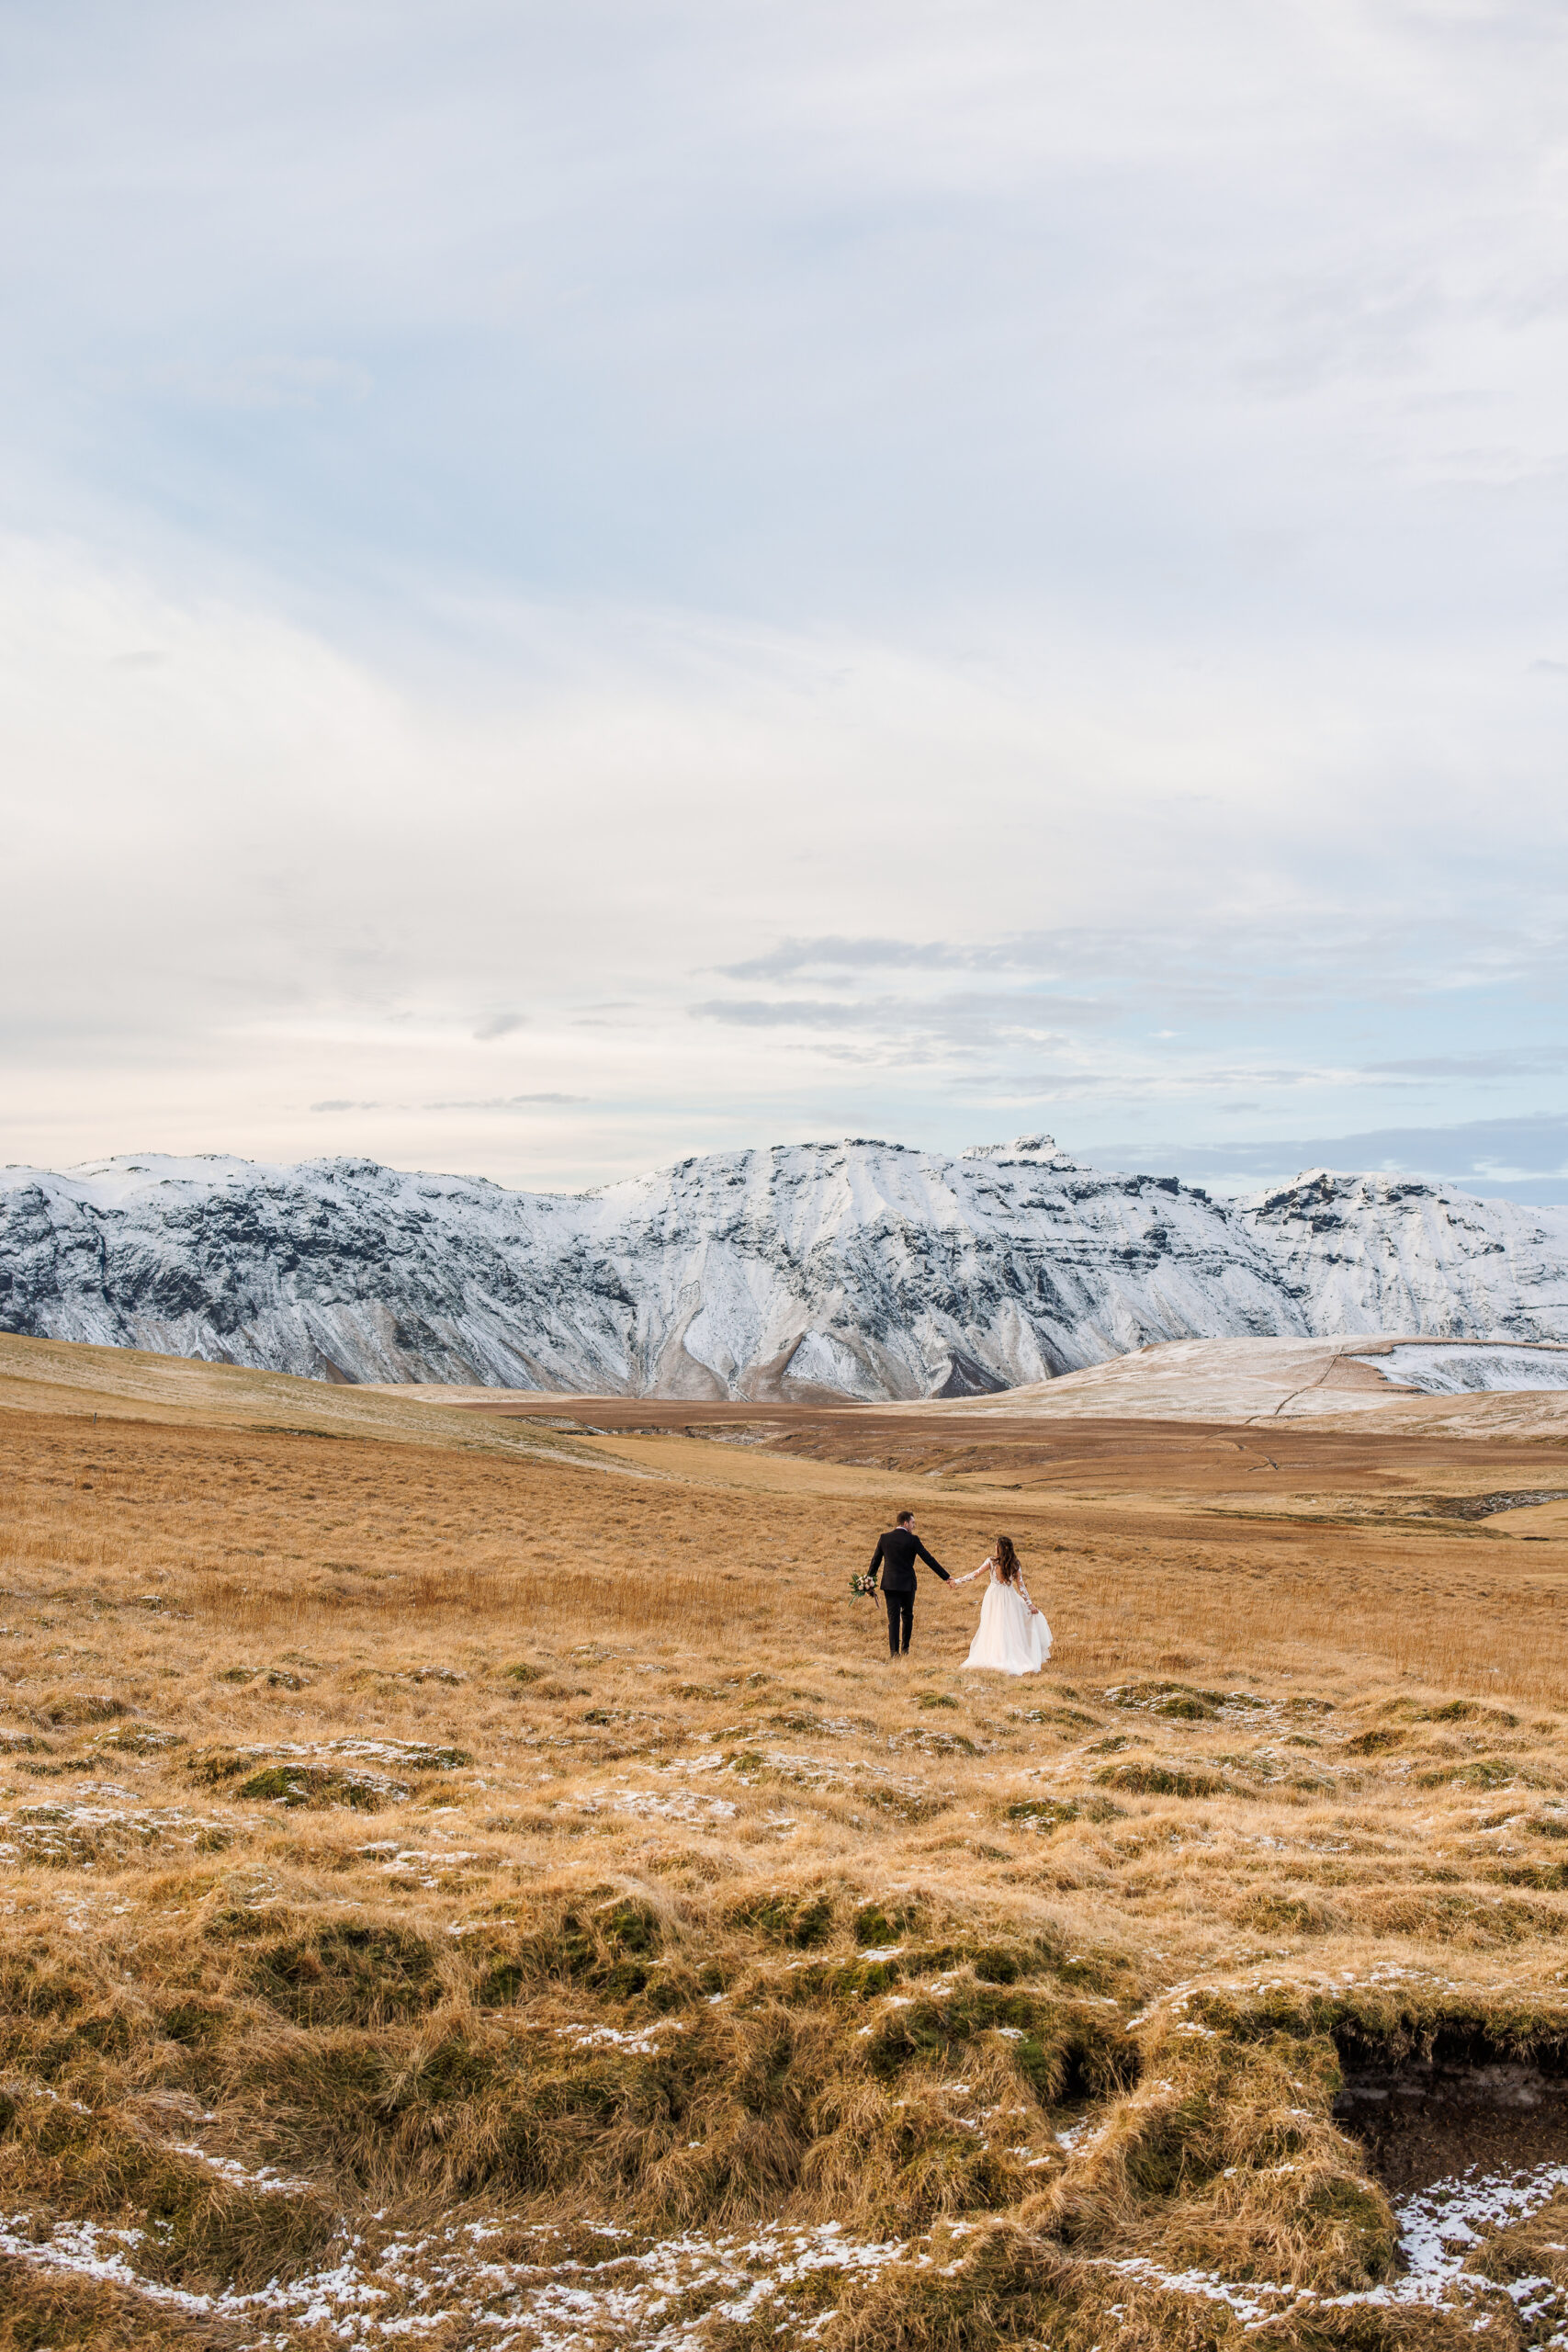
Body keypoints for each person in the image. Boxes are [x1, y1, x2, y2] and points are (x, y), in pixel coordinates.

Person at [951, 1535, 1051, 1674]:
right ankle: (1005, 1653)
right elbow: (1022, 1587)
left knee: (993, 1624)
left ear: (999, 1548)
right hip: (1009, 1596)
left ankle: (996, 1654)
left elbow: (975, 1574)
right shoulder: (1015, 1563)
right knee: (1008, 1625)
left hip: (993, 1595)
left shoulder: (991, 1562)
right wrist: (1030, 1605)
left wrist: (957, 1581)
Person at [866, 1510, 951, 1659]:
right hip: (907, 1584)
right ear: (905, 1523)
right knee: (907, 1615)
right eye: (913, 1523)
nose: (914, 1526)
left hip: (890, 1584)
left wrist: (868, 1582)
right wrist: (946, 1577)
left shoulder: (884, 1538)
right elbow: (928, 1559)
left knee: (893, 1619)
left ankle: (894, 1653)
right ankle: (905, 1648)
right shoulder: (913, 1540)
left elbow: (875, 1562)